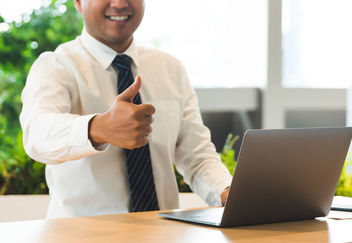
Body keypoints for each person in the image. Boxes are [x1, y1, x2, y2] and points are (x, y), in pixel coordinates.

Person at [19, 0, 232, 219]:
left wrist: (227, 193)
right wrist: (98, 128)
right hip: (82, 242)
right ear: (79, 3)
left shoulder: (169, 68)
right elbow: (37, 135)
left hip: (164, 241)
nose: (120, 4)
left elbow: (197, 156)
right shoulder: (56, 65)